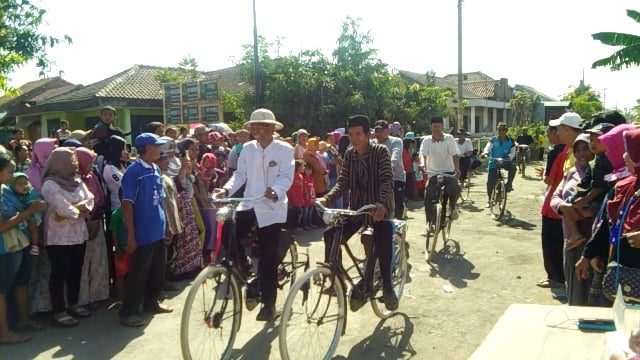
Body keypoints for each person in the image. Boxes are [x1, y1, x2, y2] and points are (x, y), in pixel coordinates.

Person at [215, 108, 294, 322]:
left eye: (260, 126)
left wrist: (276, 190)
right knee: (230, 235)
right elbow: (239, 175)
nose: (256, 130)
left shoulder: (285, 149)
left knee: (268, 258)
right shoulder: (247, 149)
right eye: (253, 126)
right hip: (249, 204)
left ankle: (269, 305)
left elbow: (287, 177)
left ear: (271, 128)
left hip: (272, 208)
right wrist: (226, 189)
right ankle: (248, 273)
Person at [319, 114, 398, 311]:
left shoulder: (381, 152)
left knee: (383, 236)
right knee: (330, 234)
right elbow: (343, 182)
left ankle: (388, 286)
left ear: (368, 134)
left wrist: (380, 204)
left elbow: (387, 180)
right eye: (351, 134)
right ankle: (336, 278)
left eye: (358, 134)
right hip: (357, 209)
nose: (355, 138)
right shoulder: (349, 154)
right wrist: (327, 198)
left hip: (379, 208)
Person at [119, 133, 172, 327]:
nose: (160, 149)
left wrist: (166, 225)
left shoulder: (156, 168)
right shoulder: (134, 172)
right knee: (138, 273)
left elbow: (160, 199)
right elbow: (127, 204)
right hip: (142, 233)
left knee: (157, 270)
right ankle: (128, 311)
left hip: (157, 230)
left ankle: (151, 302)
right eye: (157, 146)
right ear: (147, 148)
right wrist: (131, 235)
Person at [41, 148, 95, 326]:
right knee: (59, 273)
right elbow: (61, 209)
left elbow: (90, 200)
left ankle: (73, 304)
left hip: (78, 234)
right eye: (71, 161)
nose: (75, 164)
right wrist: (77, 209)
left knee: (75, 271)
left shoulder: (77, 181)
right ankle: (59, 311)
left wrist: (73, 209)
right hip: (58, 237)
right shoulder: (49, 184)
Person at [0, 156, 46, 344]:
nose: (12, 175)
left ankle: (23, 320)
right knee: (1, 291)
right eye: (9, 171)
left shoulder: (4, 189)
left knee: (21, 282)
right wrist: (29, 212)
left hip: (19, 245)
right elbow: (2, 226)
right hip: (5, 248)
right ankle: (5, 333)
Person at [551, 134, 595, 305]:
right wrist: (563, 207)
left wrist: (584, 212)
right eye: (578, 150)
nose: (582, 154)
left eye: (586, 149)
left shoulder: (599, 174)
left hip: (591, 240)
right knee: (573, 287)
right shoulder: (570, 173)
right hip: (570, 240)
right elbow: (555, 197)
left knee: (591, 291)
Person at [74, 148, 110, 308]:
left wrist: (96, 217)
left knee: (98, 262)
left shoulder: (92, 176)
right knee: (82, 265)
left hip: (96, 223)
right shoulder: (74, 180)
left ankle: (98, 296)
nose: (91, 165)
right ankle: (83, 299)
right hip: (81, 226)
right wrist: (89, 218)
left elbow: (100, 197)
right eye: (88, 162)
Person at [537, 125, 568, 292]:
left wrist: (544, 175)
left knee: (550, 244)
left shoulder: (556, 152)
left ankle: (555, 278)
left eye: (549, 133)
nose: (548, 136)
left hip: (553, 205)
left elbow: (549, 180)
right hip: (566, 206)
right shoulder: (573, 149)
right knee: (561, 243)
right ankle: (561, 277)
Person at [171, 138, 203, 279]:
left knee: (192, 238)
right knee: (185, 240)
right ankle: (182, 270)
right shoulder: (180, 166)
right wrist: (184, 169)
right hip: (183, 206)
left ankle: (193, 266)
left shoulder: (188, 166)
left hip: (189, 204)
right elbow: (181, 182)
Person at [420, 117, 461, 224]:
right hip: (433, 173)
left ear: (442, 127)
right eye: (434, 126)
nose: (436, 129)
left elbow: (455, 154)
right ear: (431, 127)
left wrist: (457, 168)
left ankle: (452, 208)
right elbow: (423, 155)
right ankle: (429, 223)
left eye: (438, 126)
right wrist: (423, 166)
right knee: (428, 196)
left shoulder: (449, 138)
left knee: (455, 188)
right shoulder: (426, 140)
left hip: (448, 172)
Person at [4, 173, 43, 256]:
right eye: (20, 184)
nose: (24, 186)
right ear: (12, 185)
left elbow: (37, 202)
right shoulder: (10, 196)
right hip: (19, 225)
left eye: (25, 183)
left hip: (31, 218)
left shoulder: (31, 193)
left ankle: (35, 246)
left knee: (33, 226)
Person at [374, 120, 406, 219]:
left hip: (396, 178)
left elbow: (395, 157)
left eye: (381, 131)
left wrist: (388, 168)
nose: (378, 133)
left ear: (387, 131)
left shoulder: (396, 141)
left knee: (397, 205)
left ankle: (397, 229)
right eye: (377, 131)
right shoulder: (372, 143)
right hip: (378, 179)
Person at [481, 123, 516, 204]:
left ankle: (509, 184)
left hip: (505, 161)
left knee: (513, 167)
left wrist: (509, 157)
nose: (501, 131)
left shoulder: (511, 141)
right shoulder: (493, 139)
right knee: (490, 182)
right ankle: (490, 199)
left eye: (503, 130)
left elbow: (513, 152)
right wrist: (485, 153)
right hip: (494, 162)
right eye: (499, 130)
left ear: (506, 131)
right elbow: (488, 147)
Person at [102, 136, 128, 211]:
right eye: (124, 149)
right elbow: (125, 184)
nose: (126, 152)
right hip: (118, 208)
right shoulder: (109, 168)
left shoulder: (122, 165)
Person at [287, 160, 306, 229]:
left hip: (299, 201)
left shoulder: (301, 176)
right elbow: (289, 190)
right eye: (303, 166)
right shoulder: (292, 176)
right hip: (292, 201)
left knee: (298, 215)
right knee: (292, 217)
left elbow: (301, 190)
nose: (304, 168)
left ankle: (294, 229)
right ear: (298, 167)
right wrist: (289, 201)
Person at [302, 162, 317, 230]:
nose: (309, 171)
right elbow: (304, 188)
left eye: (310, 170)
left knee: (310, 212)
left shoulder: (312, 178)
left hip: (312, 197)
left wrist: (314, 197)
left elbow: (313, 188)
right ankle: (304, 225)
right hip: (306, 198)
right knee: (306, 212)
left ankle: (309, 224)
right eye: (307, 170)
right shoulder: (303, 178)